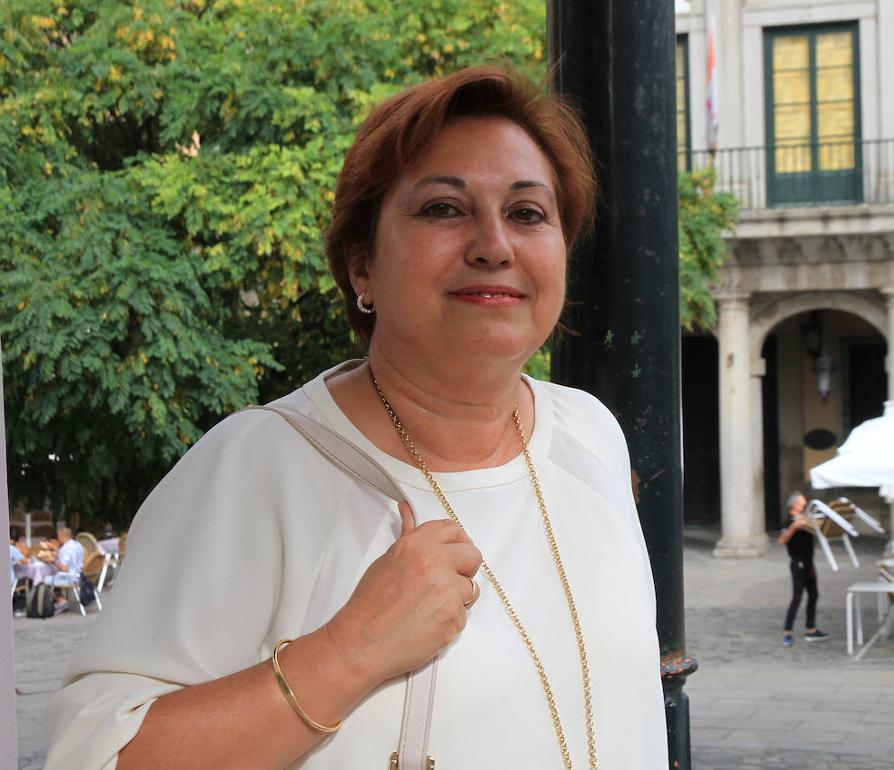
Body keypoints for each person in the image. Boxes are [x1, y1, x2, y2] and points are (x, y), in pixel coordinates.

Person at [45, 66, 666, 769]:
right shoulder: (259, 469)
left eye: (527, 213)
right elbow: (93, 755)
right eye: (443, 208)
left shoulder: (589, 434)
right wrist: (346, 653)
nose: (495, 245)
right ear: (361, 265)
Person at [777, 492, 830, 646]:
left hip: (809, 563)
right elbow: (782, 540)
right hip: (797, 563)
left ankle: (811, 629)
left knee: (813, 595)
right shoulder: (788, 521)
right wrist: (794, 527)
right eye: (802, 502)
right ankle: (787, 632)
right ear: (794, 504)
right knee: (797, 597)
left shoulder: (806, 519)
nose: (804, 504)